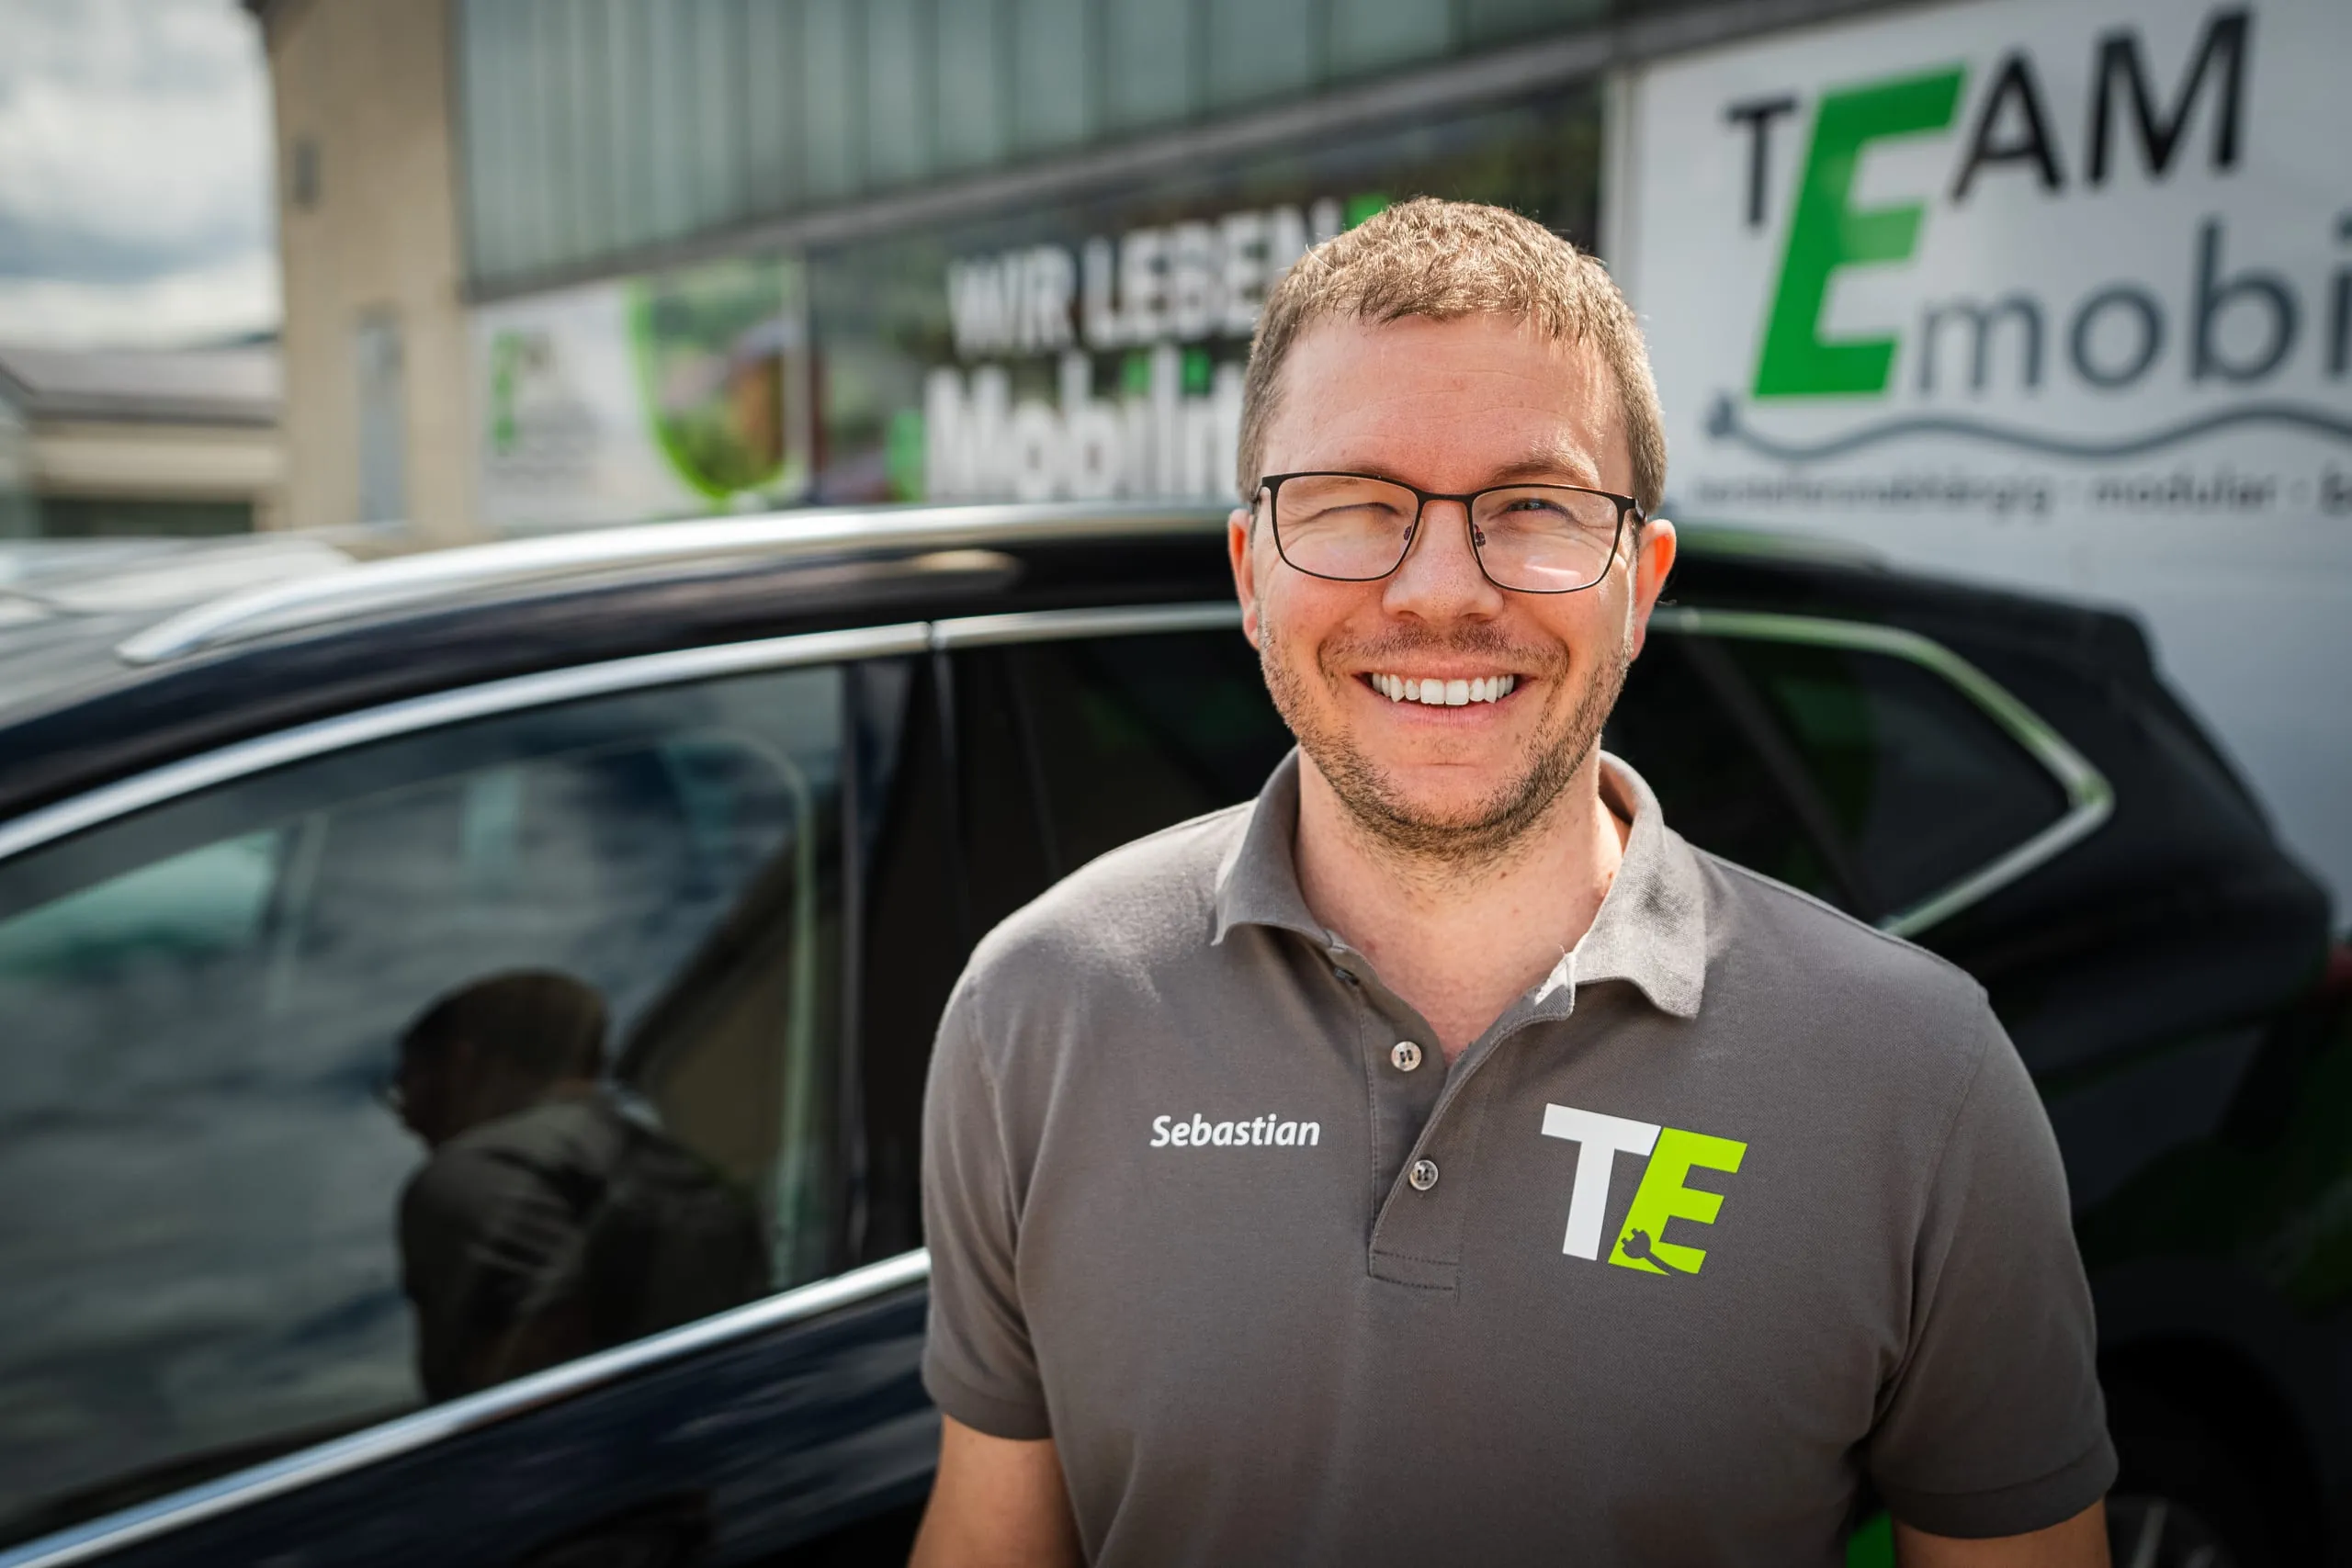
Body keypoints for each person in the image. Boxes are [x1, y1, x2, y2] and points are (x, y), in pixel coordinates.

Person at [910, 199, 2112, 1566]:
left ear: (1639, 581)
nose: (1439, 589)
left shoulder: (1920, 1075)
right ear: (1252, 573)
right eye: (1354, 505)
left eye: (1532, 508)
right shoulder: (1038, 1007)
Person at [387, 970, 769, 1402]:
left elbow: (535, 1409)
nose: (405, 1117)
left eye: (403, 1085)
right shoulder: (678, 1167)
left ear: (461, 1064)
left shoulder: (481, 1172)